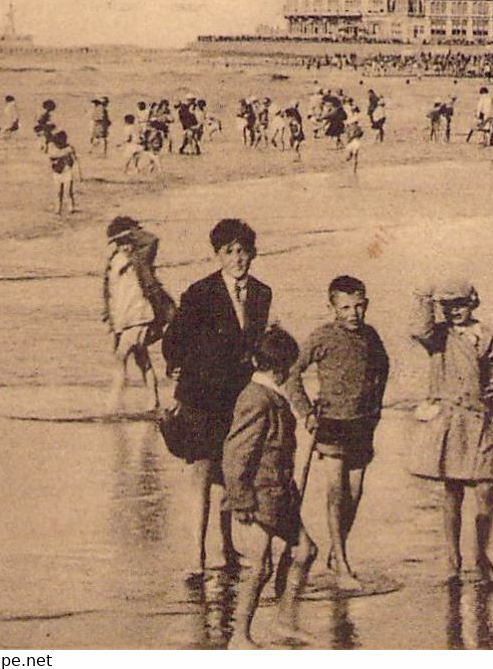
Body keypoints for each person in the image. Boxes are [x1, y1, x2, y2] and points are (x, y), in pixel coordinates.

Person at [161, 218, 271, 577]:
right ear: (218, 255)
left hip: (237, 397)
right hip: (201, 396)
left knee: (229, 472)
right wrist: (179, 374)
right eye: (230, 252)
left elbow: (254, 345)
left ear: (252, 253)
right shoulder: (200, 293)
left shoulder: (261, 293)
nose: (238, 259)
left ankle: (226, 549)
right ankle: (197, 556)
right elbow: (173, 341)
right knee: (202, 477)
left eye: (244, 251)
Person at [406, 277, 493, 582]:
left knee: (486, 490)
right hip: (450, 422)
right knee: (452, 493)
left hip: (483, 420)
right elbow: (418, 329)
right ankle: (452, 560)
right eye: (447, 306)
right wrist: (425, 297)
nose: (454, 311)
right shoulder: (438, 337)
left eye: (459, 304)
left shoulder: (488, 337)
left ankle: (481, 555)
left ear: (472, 303)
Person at [287, 276, 390, 589]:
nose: (353, 313)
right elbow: (292, 374)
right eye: (345, 307)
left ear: (366, 304)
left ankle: (336, 550)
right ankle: (342, 565)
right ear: (331, 307)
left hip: (362, 423)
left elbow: (383, 367)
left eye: (359, 306)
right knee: (335, 493)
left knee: (355, 493)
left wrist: (376, 405)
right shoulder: (322, 337)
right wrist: (306, 413)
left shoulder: (371, 336)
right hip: (331, 423)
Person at [223, 326, 319, 648]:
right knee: (260, 567)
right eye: (289, 368)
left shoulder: (271, 396)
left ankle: (283, 623)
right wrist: (240, 500)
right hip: (258, 496)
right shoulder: (256, 400)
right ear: (279, 369)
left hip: (279, 494)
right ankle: (239, 635)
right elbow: (236, 454)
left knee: (305, 551)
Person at [102, 216, 171, 414]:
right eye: (120, 243)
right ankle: (154, 401)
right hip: (123, 320)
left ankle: (114, 404)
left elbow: (152, 240)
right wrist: (110, 316)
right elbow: (110, 291)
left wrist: (131, 232)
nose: (124, 246)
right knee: (143, 360)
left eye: (127, 242)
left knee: (120, 356)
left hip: (140, 316)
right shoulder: (113, 262)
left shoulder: (140, 258)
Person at [46, 130, 80, 215]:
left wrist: (78, 173)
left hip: (67, 171)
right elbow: (51, 157)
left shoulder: (69, 148)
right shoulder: (54, 148)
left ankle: (71, 208)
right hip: (57, 172)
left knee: (68, 191)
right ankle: (58, 208)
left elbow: (75, 161)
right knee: (58, 192)